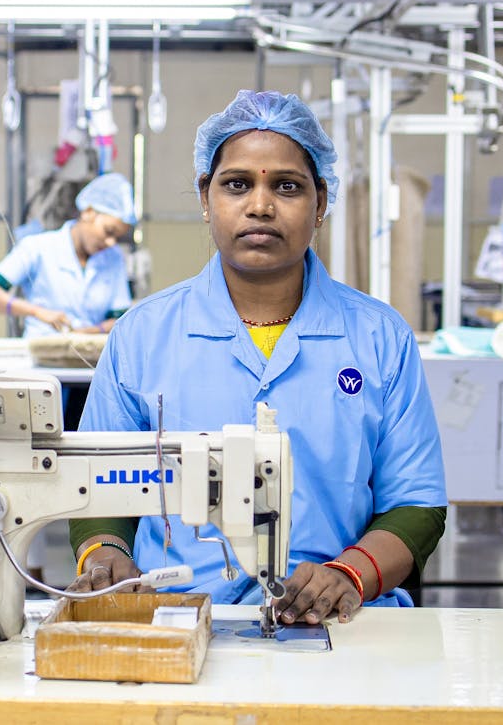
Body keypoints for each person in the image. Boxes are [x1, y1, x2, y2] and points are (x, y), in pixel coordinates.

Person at [68, 91, 447, 627]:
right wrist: (105, 554)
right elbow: (98, 482)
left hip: (340, 619)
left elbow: (417, 502)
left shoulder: (380, 339)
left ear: (320, 203)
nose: (261, 205)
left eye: (287, 186)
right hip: (175, 612)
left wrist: (347, 574)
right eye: (237, 184)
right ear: (207, 198)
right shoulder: (142, 337)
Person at [0, 172, 135, 338]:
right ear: (88, 212)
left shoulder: (113, 258)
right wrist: (37, 312)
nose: (111, 242)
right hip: (39, 355)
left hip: (89, 357)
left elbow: (119, 319)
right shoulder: (38, 247)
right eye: (108, 232)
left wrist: (89, 333)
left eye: (117, 237)